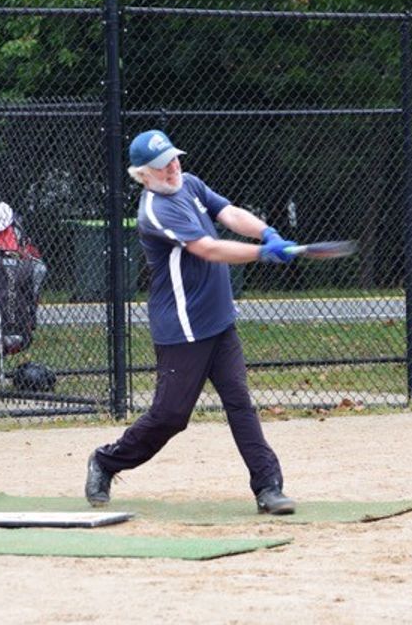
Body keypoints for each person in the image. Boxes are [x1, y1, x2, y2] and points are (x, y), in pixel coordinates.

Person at [84, 129, 299, 514]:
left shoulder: (191, 185)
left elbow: (229, 214)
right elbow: (209, 248)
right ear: (142, 174)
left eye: (173, 159)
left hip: (218, 320)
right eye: (160, 166)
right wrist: (262, 253)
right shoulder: (155, 211)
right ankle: (106, 461)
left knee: (239, 402)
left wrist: (266, 230)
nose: (171, 168)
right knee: (170, 416)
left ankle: (268, 486)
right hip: (183, 328)